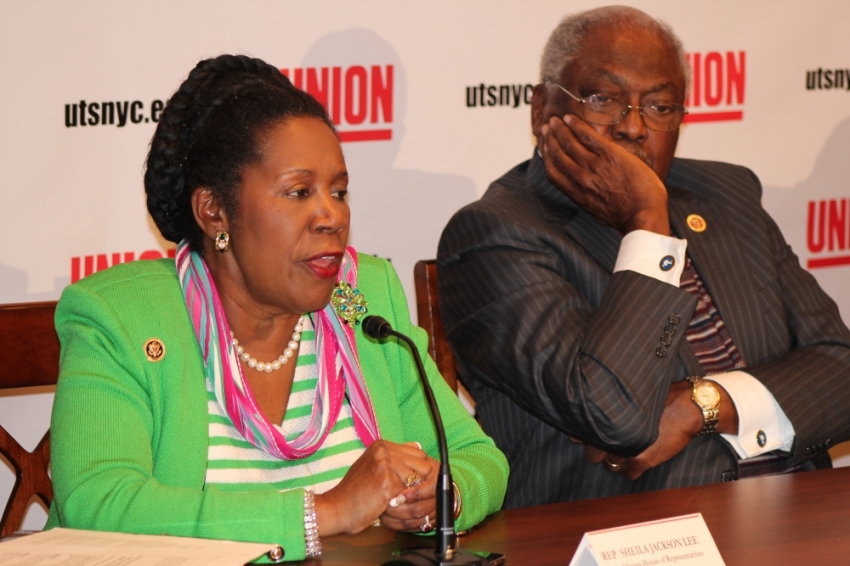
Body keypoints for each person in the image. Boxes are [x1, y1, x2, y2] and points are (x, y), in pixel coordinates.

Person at [46, 54, 507, 560]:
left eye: (339, 190)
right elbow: (100, 505)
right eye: (298, 192)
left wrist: (440, 498)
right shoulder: (118, 315)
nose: (332, 215)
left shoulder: (364, 296)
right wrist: (324, 511)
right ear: (214, 211)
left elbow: (478, 458)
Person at [437, 6, 850, 509]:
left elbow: (840, 367)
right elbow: (611, 416)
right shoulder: (496, 234)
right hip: (627, 532)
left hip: (793, 517)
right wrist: (648, 223)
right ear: (541, 110)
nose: (632, 127)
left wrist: (706, 404)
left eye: (658, 106)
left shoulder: (726, 194)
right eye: (604, 99)